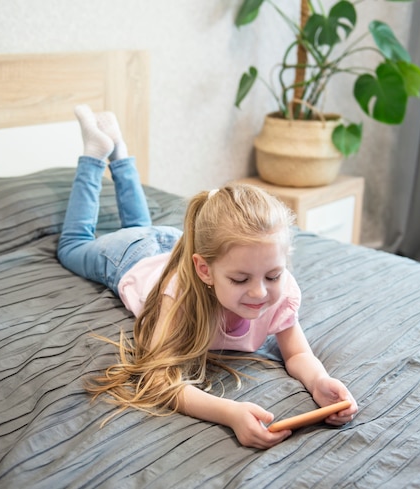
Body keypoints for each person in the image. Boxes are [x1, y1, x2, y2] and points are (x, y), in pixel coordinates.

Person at [58, 105, 358, 449]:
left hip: (176, 245)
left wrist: (320, 381)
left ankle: (120, 151)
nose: (260, 293)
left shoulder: (281, 290)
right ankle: (97, 155)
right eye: (241, 280)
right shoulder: (180, 295)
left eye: (273, 275)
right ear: (205, 272)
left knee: (145, 225)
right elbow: (158, 377)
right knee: (72, 247)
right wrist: (228, 413)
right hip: (134, 254)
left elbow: (297, 354)